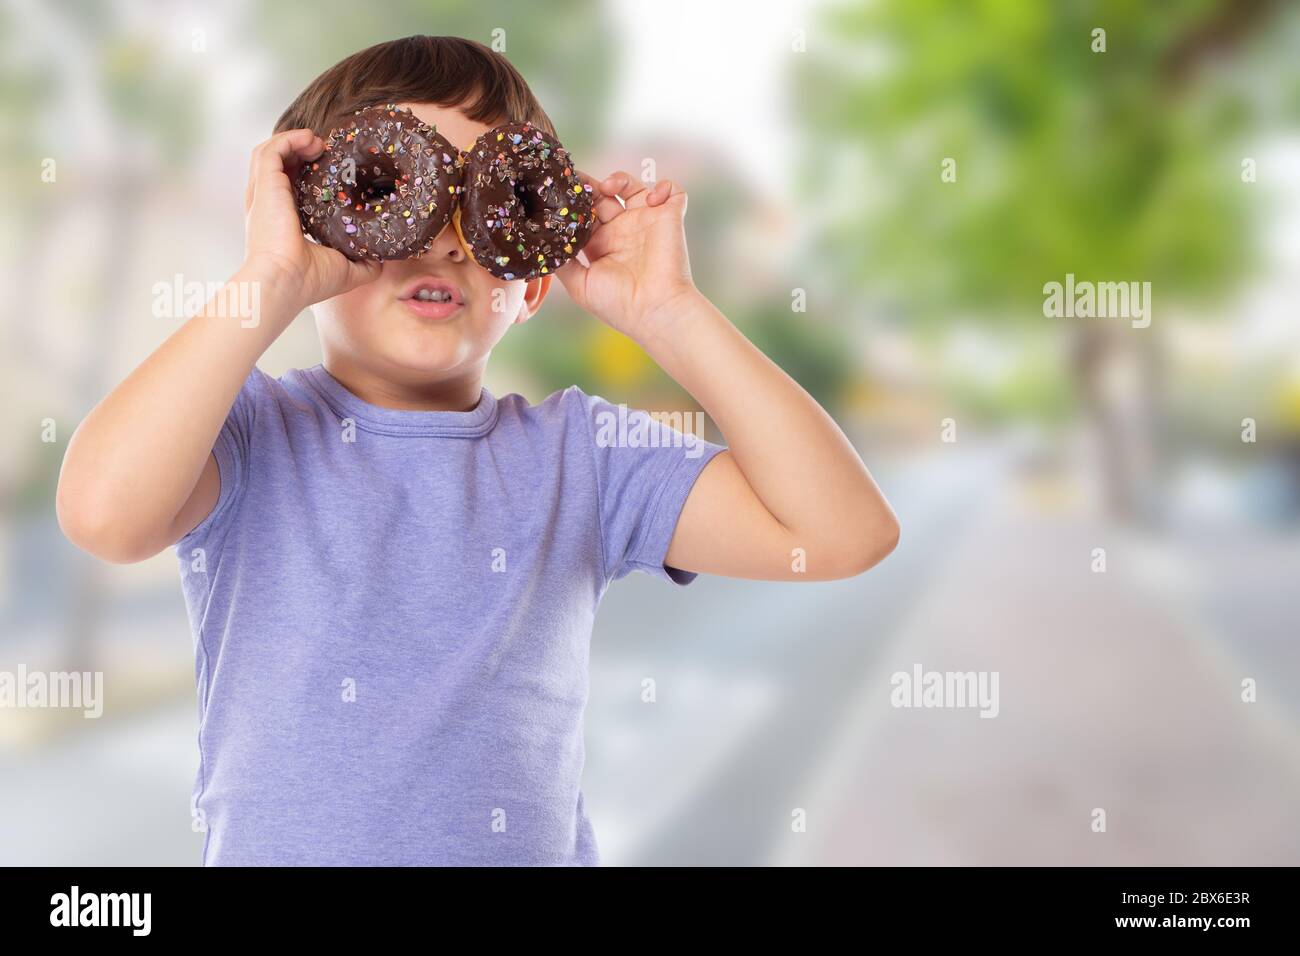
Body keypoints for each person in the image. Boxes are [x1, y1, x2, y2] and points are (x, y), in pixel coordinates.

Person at [55, 35, 899, 865]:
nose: (446, 238)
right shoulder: (244, 429)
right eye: (387, 194)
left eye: (489, 210)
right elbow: (103, 516)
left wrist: (669, 312)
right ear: (309, 225)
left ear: (531, 276)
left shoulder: (585, 456)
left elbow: (838, 533)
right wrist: (265, 280)